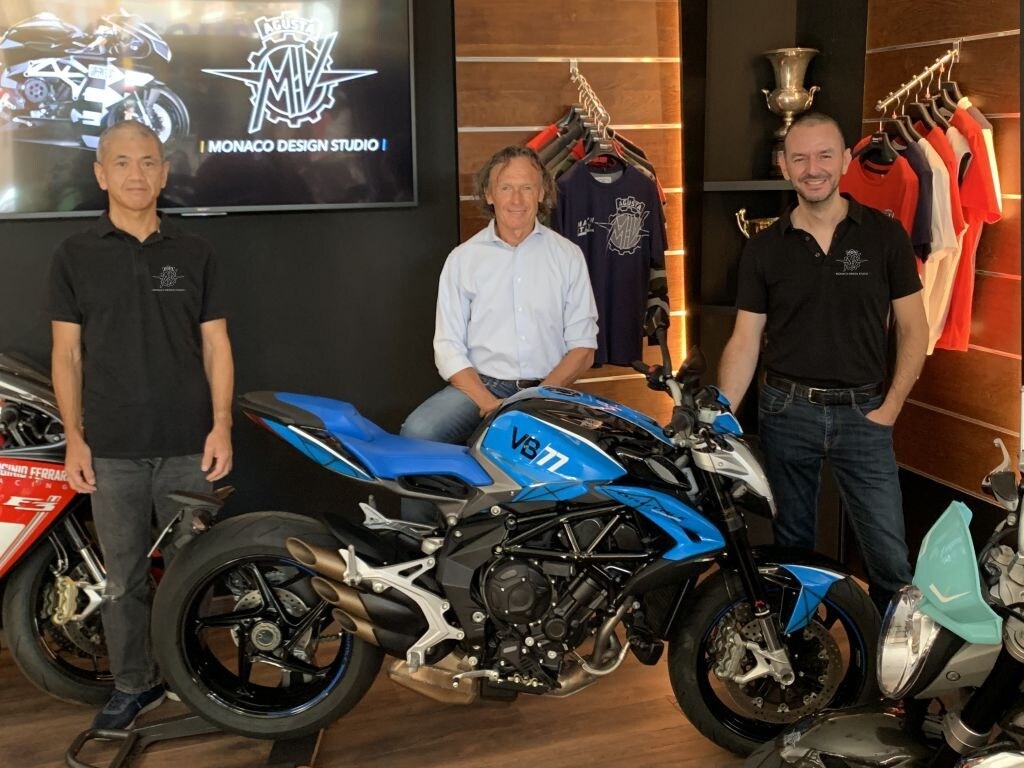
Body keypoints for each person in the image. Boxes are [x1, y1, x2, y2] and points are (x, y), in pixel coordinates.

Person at [48, 120, 234, 730]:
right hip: (112, 448)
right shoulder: (74, 255)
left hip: (188, 444)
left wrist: (221, 425)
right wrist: (76, 439)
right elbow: (67, 355)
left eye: (149, 161)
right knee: (123, 581)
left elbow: (216, 346)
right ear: (101, 174)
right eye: (123, 163)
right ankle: (135, 686)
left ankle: (193, 682)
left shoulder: (195, 251)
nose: (137, 173)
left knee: (191, 577)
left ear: (165, 172)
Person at [718, 112, 928, 616]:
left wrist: (892, 407)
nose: (813, 168)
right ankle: (802, 645)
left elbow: (914, 329)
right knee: (793, 548)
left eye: (824, 155)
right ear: (785, 166)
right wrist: (721, 414)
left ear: (846, 160)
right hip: (787, 410)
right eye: (800, 158)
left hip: (866, 413)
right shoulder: (763, 248)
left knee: (888, 555)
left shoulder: (885, 236)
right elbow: (745, 339)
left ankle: (892, 658)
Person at [400, 145, 599, 520]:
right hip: (482, 387)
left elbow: (583, 347)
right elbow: (448, 347)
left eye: (527, 187)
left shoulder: (567, 256)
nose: (517, 200)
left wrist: (536, 400)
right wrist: (488, 404)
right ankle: (419, 541)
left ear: (542, 192)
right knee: (417, 433)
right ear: (489, 194)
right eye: (506, 188)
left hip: (548, 389)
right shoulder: (464, 259)